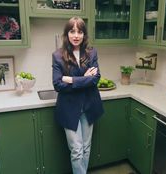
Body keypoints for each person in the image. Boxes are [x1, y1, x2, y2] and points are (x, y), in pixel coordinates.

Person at [52, 16, 104, 174]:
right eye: (72, 31)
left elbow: (95, 79)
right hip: (69, 109)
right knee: (76, 150)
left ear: (84, 34)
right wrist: (84, 79)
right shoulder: (58, 56)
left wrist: (71, 80)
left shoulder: (91, 53)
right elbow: (57, 84)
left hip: (89, 106)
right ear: (67, 34)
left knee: (86, 148)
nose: (76, 35)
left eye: (80, 32)